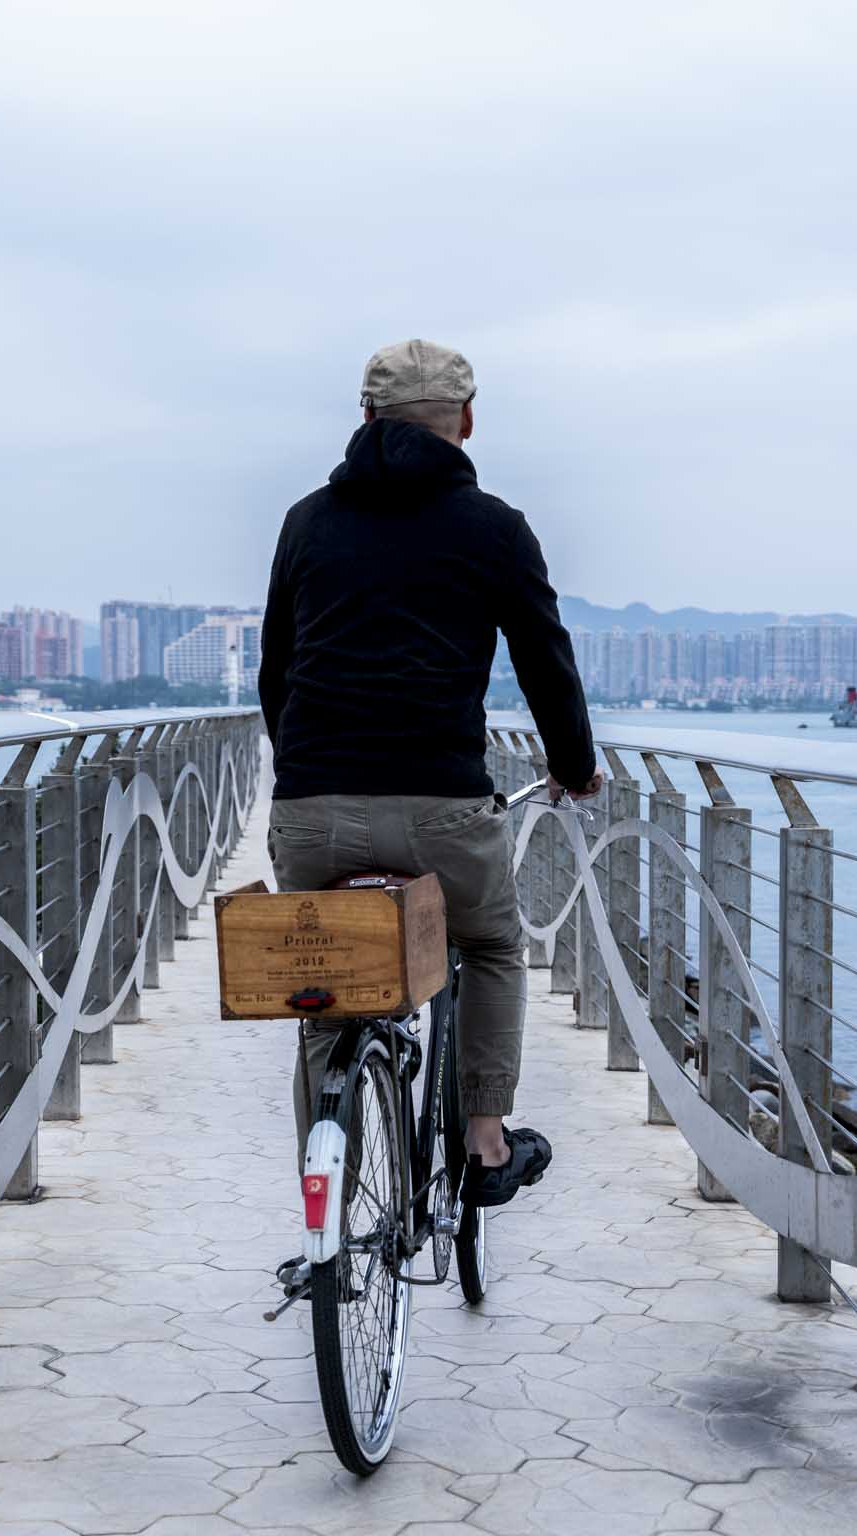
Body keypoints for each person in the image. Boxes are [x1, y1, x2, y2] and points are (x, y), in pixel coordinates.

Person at [258, 337, 603, 1219]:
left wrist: (306, 778)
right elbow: (544, 663)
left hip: (314, 806)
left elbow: (276, 670)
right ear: (467, 422)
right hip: (443, 809)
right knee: (489, 947)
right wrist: (573, 767)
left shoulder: (307, 520)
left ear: (364, 420)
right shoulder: (494, 526)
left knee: (327, 984)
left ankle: (324, 1170)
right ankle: (485, 1141)